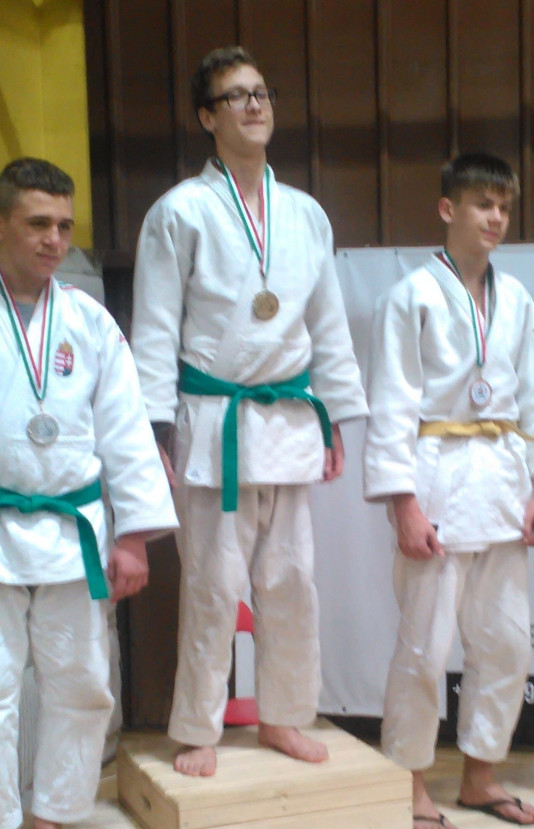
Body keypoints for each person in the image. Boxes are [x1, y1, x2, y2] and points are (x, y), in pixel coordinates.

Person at [0, 157, 177, 829]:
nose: (54, 240)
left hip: (74, 530)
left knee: (83, 682)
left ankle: (53, 820)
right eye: (37, 223)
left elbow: (126, 430)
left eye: (64, 226)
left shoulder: (90, 320)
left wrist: (134, 537)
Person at [132, 46, 368, 777]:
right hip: (214, 424)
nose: (255, 105)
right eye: (236, 96)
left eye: (261, 92)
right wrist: (155, 432)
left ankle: (285, 716)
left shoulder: (304, 214)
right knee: (212, 584)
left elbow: (328, 325)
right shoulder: (179, 212)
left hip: (289, 419)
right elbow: (154, 328)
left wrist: (333, 416)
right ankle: (197, 726)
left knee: (293, 581)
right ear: (208, 117)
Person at [363, 153, 534, 829]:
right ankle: (410, 782)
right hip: (437, 480)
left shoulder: (519, 300)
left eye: (504, 207)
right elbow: (391, 404)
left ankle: (480, 775)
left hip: (504, 484)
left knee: (507, 645)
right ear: (448, 209)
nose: (496, 217)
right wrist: (403, 505)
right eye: (483, 204)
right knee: (425, 648)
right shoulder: (410, 296)